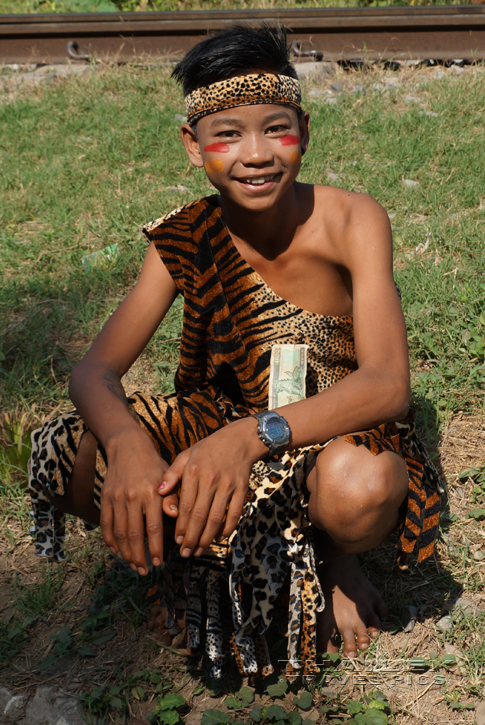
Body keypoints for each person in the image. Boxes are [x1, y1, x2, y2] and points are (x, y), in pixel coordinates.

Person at [28, 24, 442, 680]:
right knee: (70, 444)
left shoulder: (351, 219)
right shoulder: (184, 236)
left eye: (274, 129)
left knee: (356, 485)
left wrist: (253, 436)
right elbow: (94, 370)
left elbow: (388, 383)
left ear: (302, 131)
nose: (255, 155)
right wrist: (132, 447)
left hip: (332, 433)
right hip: (215, 432)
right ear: (193, 146)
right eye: (227, 134)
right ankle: (186, 560)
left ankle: (333, 557)